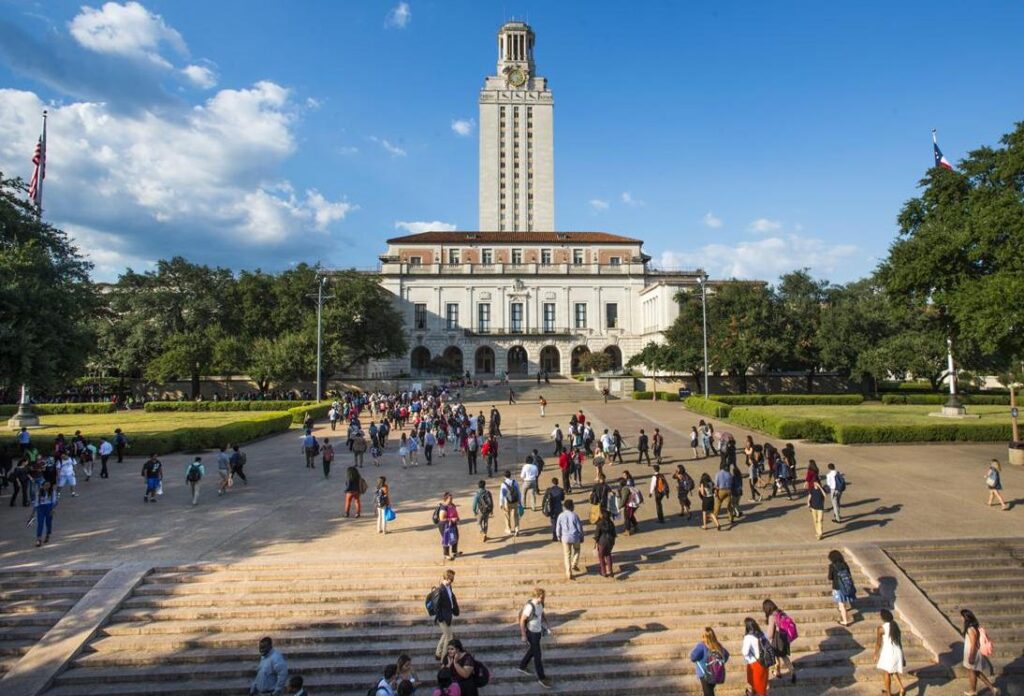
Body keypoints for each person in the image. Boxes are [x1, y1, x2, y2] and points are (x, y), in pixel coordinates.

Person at [517, 587, 551, 688]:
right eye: (542, 597)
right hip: (531, 633)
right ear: (538, 596)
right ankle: (542, 678)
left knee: (533, 650)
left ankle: (522, 666)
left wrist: (547, 623)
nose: (544, 599)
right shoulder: (529, 606)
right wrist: (523, 635)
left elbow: (541, 613)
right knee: (537, 656)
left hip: (538, 631)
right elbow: (522, 620)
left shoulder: (540, 603)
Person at [961, 609, 999, 696]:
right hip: (975, 652)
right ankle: (993, 689)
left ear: (966, 618)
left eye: (962, 617)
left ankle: (973, 691)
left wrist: (971, 656)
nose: (961, 619)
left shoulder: (970, 629)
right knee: (977, 672)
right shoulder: (975, 627)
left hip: (973, 653)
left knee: (971, 672)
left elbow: (973, 643)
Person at [874, 609, 906, 696]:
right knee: (893, 671)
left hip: (889, 653)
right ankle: (901, 688)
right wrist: (903, 656)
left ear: (882, 618)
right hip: (897, 651)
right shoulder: (895, 626)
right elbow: (899, 642)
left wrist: (875, 654)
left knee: (887, 672)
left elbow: (878, 643)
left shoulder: (881, 628)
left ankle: (888, 693)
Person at [763, 599, 797, 683]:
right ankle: (792, 671)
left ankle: (777, 672)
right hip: (784, 637)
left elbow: (770, 633)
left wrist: (764, 638)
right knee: (784, 656)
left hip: (777, 639)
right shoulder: (780, 612)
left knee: (775, 655)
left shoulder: (772, 616)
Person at [689, 626, 730, 696]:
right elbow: (726, 655)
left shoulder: (701, 646)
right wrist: (718, 664)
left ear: (703, 636)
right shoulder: (718, 645)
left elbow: (693, 657)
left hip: (704, 674)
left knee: (708, 693)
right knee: (710, 691)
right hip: (715, 673)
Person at [433, 569, 459, 661]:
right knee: (449, 637)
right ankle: (444, 660)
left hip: (448, 615)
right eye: (450, 580)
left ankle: (438, 653)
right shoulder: (440, 589)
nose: (451, 582)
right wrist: (441, 618)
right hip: (443, 617)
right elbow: (436, 606)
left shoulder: (449, 587)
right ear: (446, 578)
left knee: (445, 634)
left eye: (452, 580)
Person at [828, 549, 857, 626]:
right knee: (843, 601)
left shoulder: (832, 566)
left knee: (841, 604)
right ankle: (843, 609)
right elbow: (849, 574)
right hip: (846, 585)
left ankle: (845, 621)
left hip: (837, 587)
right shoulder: (845, 564)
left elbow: (830, 577)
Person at [741, 617, 770, 696]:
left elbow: (745, 652)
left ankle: (756, 692)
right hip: (764, 661)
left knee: (757, 683)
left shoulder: (748, 637)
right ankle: (754, 692)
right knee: (762, 683)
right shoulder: (762, 633)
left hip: (754, 663)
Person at [555, 499, 583, 580]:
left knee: (567, 555)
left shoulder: (561, 515)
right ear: (572, 507)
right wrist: (581, 536)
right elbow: (579, 527)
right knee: (577, 549)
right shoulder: (575, 515)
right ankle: (574, 563)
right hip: (575, 537)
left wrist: (558, 536)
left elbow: (558, 527)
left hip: (565, 537)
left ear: (564, 507)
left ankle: (568, 572)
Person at [33, 479, 57, 547]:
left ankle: (48, 534)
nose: (47, 487)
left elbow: (54, 501)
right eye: (45, 485)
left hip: (49, 507)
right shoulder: (39, 492)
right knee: (40, 523)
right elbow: (36, 503)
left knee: (48, 523)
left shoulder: (52, 492)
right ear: (42, 486)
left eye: (48, 485)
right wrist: (33, 513)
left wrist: (53, 509)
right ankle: (39, 538)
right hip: (41, 508)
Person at [594, 507, 617, 578]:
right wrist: (613, 542)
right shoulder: (611, 523)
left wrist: (596, 541)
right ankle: (610, 571)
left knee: (601, 557)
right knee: (608, 555)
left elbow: (597, 534)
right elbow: (614, 534)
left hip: (602, 541)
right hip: (610, 541)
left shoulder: (600, 523)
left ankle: (603, 572)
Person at [438, 492, 460, 561]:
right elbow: (442, 518)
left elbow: (455, 513)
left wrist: (457, 518)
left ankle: (454, 552)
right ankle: (446, 555)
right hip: (445, 525)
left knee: (455, 537)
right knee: (446, 539)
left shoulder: (452, 505)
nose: (451, 500)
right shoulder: (443, 507)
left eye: (452, 498)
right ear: (445, 499)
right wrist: (451, 519)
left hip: (452, 524)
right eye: (450, 498)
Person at [500, 471, 521, 537]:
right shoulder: (515, 482)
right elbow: (518, 492)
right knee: (516, 516)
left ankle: (508, 529)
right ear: (510, 475)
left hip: (507, 502)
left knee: (507, 515)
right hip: (515, 501)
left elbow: (502, 495)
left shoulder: (503, 484)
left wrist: (501, 503)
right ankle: (517, 529)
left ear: (504, 476)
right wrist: (520, 501)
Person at [807, 473, 827, 540]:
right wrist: (808, 502)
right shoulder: (812, 488)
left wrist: (820, 487)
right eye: (814, 482)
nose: (815, 483)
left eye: (816, 482)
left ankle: (820, 534)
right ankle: (817, 532)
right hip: (813, 507)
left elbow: (825, 495)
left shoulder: (822, 489)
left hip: (820, 507)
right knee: (815, 520)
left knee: (820, 520)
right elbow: (810, 495)